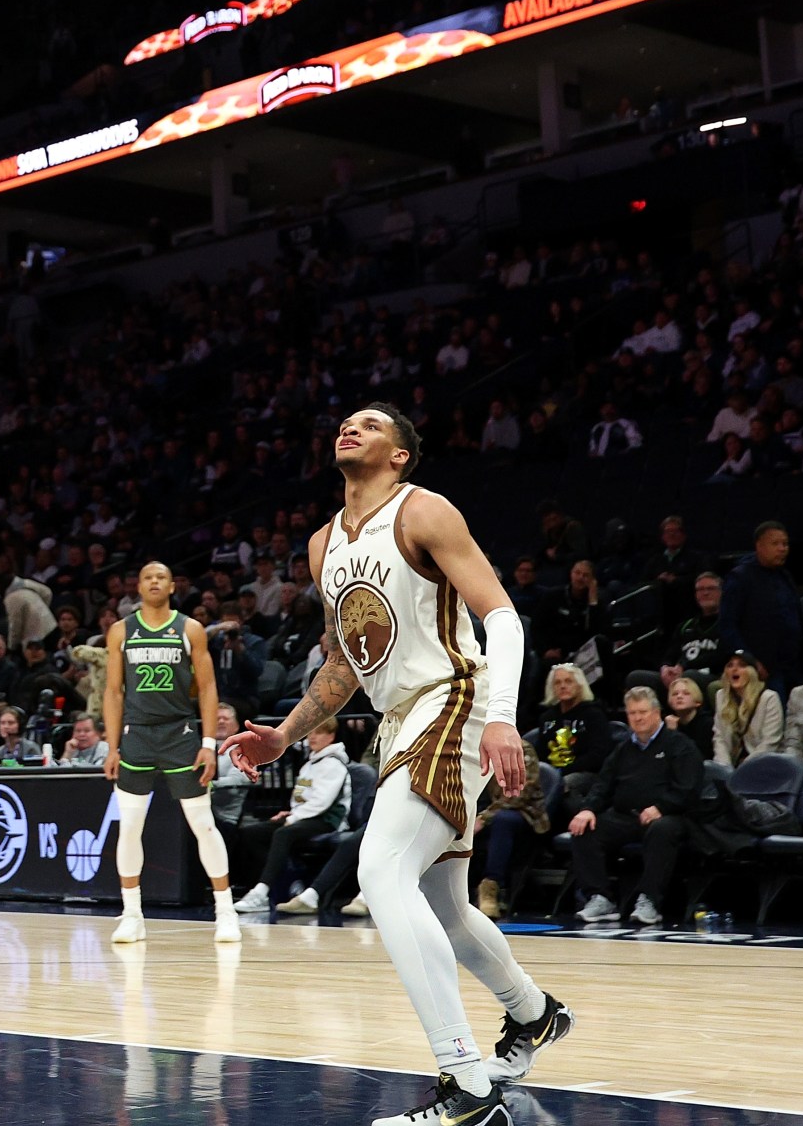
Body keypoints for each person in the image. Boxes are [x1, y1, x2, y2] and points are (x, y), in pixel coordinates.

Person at [224, 404, 568, 1126]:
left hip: (455, 697)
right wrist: (284, 734)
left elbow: (502, 616)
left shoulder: (424, 512)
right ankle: (533, 1015)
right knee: (442, 905)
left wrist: (502, 714)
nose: (350, 427)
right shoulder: (323, 546)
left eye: (372, 425)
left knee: (381, 871)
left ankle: (465, 1083)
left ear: (401, 455)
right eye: (346, 422)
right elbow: (346, 660)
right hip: (400, 719)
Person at [100, 560, 240, 945]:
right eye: (147, 577)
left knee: (203, 824)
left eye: (161, 576)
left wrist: (209, 744)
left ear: (173, 586)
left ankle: (225, 912)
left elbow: (209, 688)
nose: (155, 581)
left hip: (180, 734)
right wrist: (111, 747)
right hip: (136, 736)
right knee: (129, 827)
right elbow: (113, 692)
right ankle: (132, 915)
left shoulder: (190, 629)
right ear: (138, 587)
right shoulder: (121, 631)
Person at [568, 686, 701, 927]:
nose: (637, 718)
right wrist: (587, 809)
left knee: (662, 830)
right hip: (626, 816)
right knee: (584, 828)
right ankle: (600, 898)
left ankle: (649, 901)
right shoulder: (623, 749)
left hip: (669, 816)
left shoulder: (679, 745)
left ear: (657, 712)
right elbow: (603, 785)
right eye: (632, 713)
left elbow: (689, 788)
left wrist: (661, 807)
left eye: (642, 712)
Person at [228, 717, 350, 914]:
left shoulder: (334, 764)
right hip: (304, 817)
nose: (312, 737)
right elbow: (303, 799)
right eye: (310, 733)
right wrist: (291, 813)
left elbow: (321, 803)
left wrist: (293, 818)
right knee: (251, 833)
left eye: (318, 733)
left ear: (331, 736)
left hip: (328, 821)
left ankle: (261, 891)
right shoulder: (309, 764)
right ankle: (278, 886)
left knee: (283, 834)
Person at [722, 523, 803, 692]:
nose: (782, 549)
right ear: (759, 546)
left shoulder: (785, 576)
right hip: (764, 670)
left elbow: (797, 620)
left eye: (785, 544)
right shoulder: (740, 578)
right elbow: (727, 625)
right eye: (775, 544)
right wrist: (749, 660)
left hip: (793, 667)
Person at [471, 740, 548, 921]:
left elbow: (519, 792)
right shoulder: (469, 747)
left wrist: (483, 818)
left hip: (525, 814)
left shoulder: (520, 747)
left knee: (501, 820)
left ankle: (491, 888)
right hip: (488, 810)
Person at [533, 665, 609, 783]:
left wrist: (561, 772)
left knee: (566, 783)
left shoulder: (594, 714)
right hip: (551, 774)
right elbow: (540, 754)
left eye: (568, 681)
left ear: (579, 686)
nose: (563, 686)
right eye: (557, 683)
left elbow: (597, 756)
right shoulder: (547, 718)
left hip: (586, 774)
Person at [712, 650, 784, 767]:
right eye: (730, 665)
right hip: (732, 765)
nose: (734, 669)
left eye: (742, 665)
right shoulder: (721, 696)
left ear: (752, 672)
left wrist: (744, 769)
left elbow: (770, 742)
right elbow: (719, 738)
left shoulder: (769, 698)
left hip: (762, 765)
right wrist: (724, 768)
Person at [664, 676, 713, 760]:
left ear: (697, 702)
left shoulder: (708, 724)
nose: (679, 696)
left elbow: (697, 757)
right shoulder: (668, 723)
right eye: (675, 694)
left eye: (686, 693)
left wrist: (674, 734)